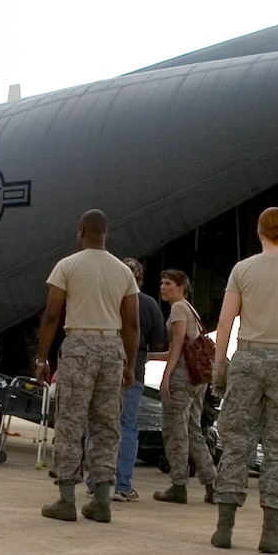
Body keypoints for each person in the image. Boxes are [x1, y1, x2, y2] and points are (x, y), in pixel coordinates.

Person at [208, 207, 278, 553]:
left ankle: (224, 528)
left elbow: (226, 322)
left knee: (237, 441)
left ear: (260, 232)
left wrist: (219, 367)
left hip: (246, 357)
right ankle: (270, 531)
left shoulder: (242, 270)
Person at [35, 210, 140, 522]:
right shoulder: (124, 272)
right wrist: (130, 364)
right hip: (113, 347)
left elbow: (52, 315)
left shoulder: (67, 266)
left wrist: (42, 358)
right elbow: (132, 322)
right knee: (107, 425)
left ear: (81, 231)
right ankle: (102, 500)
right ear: (105, 234)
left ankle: (66, 499)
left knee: (70, 421)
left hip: (79, 344)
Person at [153, 269, 217, 503]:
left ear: (180, 287)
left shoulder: (179, 308)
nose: (163, 287)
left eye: (168, 283)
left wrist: (166, 375)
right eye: (162, 283)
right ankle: (211, 482)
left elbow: (178, 343)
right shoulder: (191, 310)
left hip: (182, 377)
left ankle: (178, 484)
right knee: (193, 431)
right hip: (196, 379)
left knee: (174, 431)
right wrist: (153, 357)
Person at [110, 258, 168, 502]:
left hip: (105, 369)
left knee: (100, 424)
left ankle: (97, 482)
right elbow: (159, 342)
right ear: (141, 279)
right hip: (134, 374)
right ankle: (122, 485)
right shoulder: (149, 304)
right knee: (128, 427)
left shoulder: (109, 299)